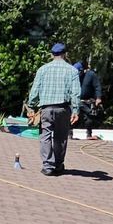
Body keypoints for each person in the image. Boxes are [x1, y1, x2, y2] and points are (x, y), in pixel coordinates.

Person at [25, 42, 81, 176]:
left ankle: (48, 165)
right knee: (61, 137)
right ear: (65, 54)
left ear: (52, 54)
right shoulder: (72, 70)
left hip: (46, 107)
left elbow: (35, 90)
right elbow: (76, 93)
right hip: (63, 108)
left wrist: (31, 106)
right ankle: (58, 164)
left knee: (45, 135)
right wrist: (75, 110)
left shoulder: (42, 69)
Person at [77, 61, 103, 132]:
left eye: (80, 71)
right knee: (72, 117)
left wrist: (98, 98)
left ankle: (89, 133)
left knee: (89, 117)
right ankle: (70, 134)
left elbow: (97, 86)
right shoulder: (73, 75)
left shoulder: (91, 75)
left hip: (87, 101)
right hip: (76, 100)